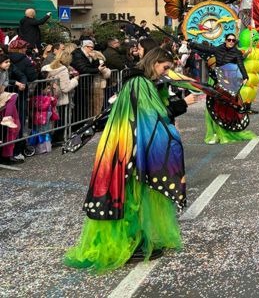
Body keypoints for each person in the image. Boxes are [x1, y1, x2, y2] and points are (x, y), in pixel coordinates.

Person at [64, 48, 186, 272]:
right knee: (131, 195)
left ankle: (135, 238)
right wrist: (176, 109)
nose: (165, 73)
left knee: (130, 193)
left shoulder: (139, 83)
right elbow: (151, 116)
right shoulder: (140, 83)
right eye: (165, 68)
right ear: (154, 62)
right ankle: (132, 240)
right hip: (129, 146)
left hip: (125, 144)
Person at [0, 52, 25, 164]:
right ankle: (7, 117)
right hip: (2, 96)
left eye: (9, 62)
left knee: (14, 96)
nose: (8, 64)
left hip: (2, 94)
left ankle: (7, 117)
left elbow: (4, 85)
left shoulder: (5, 72)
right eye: (6, 62)